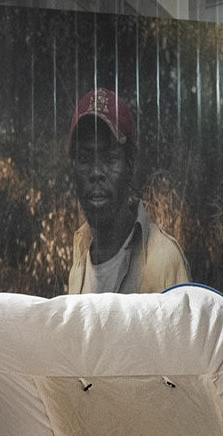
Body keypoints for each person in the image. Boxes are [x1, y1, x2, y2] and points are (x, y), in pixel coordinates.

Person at [65, 88, 189, 294]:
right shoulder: (80, 258)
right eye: (85, 158)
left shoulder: (163, 259)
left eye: (109, 158)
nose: (96, 172)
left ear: (129, 167)